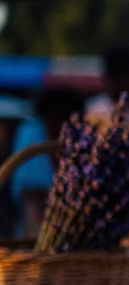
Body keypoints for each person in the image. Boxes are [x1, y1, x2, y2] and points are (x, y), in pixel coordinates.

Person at [8, 88, 86, 238]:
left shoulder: (81, 142)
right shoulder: (31, 135)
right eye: (54, 119)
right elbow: (30, 196)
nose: (58, 127)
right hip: (35, 227)